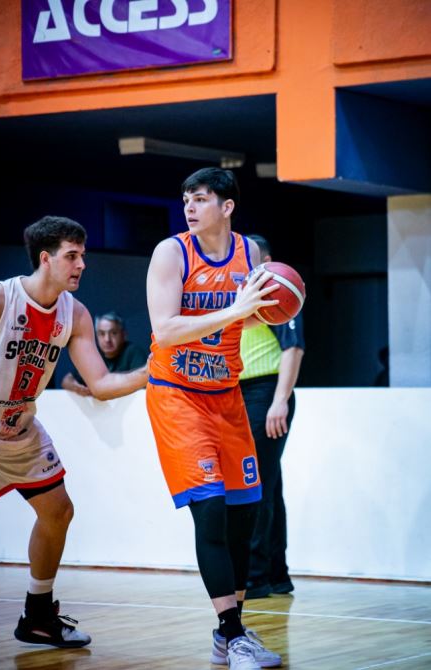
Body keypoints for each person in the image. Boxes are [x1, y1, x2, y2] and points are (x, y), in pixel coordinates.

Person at [0, 215, 148, 648]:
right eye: (72, 256)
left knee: (58, 512)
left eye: (83, 256)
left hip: (17, 427)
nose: (82, 265)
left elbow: (101, 384)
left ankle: (37, 617)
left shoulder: (73, 314)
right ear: (46, 259)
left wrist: (152, 372)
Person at [146, 167, 282, 669]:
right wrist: (235, 311)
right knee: (210, 510)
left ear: (227, 207)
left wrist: (275, 305)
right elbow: (164, 330)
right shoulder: (171, 253)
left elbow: (257, 312)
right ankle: (232, 631)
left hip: (226, 395)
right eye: (186, 199)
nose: (189, 206)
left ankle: (232, 635)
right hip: (178, 396)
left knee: (245, 514)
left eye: (201, 199)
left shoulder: (250, 254)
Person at [239, 234, 305, 599]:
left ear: (265, 260)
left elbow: (293, 348)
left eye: (248, 257)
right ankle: (277, 575)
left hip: (266, 392)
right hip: (245, 392)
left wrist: (280, 400)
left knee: (256, 484)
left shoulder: (277, 288)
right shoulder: (244, 294)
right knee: (269, 484)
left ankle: (255, 577)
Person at [61, 311, 147, 396]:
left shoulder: (133, 352)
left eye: (113, 333)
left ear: (124, 335)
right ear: (96, 336)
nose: (107, 339)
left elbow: (143, 380)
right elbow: (67, 380)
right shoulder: (94, 354)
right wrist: (78, 388)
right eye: (102, 334)